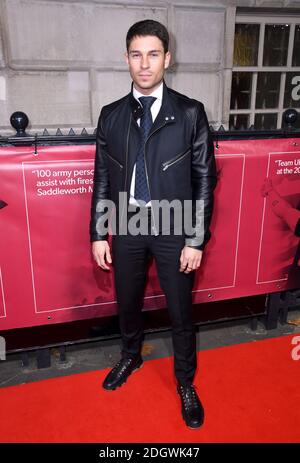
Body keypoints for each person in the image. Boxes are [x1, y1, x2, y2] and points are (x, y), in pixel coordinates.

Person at [90, 19, 217, 429]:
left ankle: (184, 381)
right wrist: (98, 232)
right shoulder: (110, 116)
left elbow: (203, 179)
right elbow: (103, 179)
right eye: (136, 54)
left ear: (168, 58)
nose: (144, 64)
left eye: (153, 54)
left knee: (180, 311)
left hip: (174, 225)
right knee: (126, 302)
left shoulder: (191, 113)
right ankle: (130, 356)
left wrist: (194, 238)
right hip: (126, 223)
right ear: (126, 58)